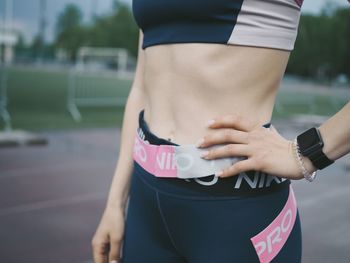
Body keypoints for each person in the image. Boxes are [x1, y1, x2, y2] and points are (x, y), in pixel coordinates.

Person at [91, 0, 350, 262]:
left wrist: (306, 153)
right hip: (145, 205)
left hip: (236, 213)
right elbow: (142, 88)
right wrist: (115, 203)